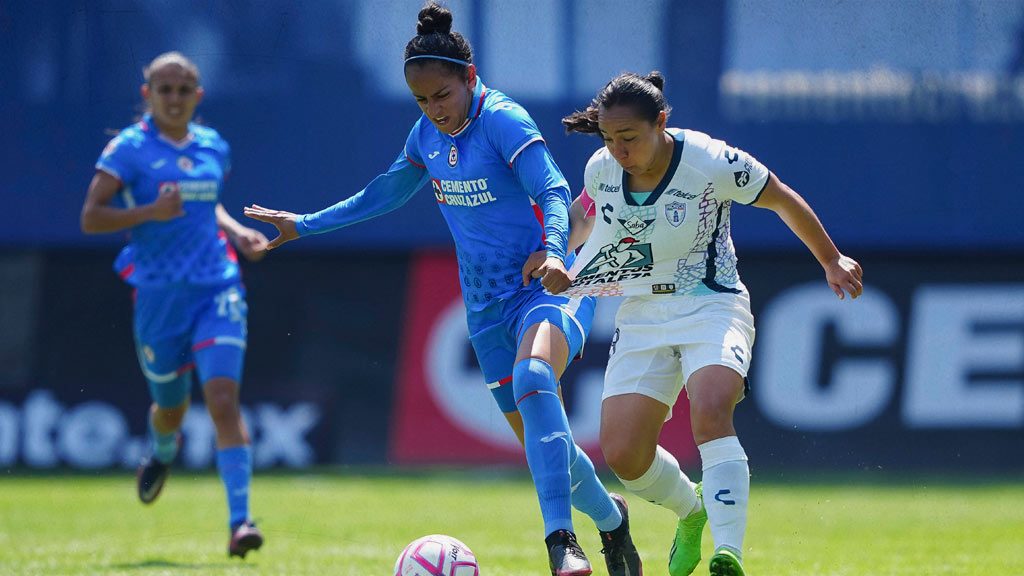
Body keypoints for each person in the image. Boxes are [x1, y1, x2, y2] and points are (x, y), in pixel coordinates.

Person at [242, 4, 639, 575]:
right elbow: (382, 194)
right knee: (544, 446)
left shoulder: (503, 120)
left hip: (548, 285)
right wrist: (303, 223)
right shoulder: (426, 133)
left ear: (470, 79)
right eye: (422, 101)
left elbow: (554, 190)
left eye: (443, 96)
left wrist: (554, 250)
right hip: (483, 309)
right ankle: (613, 520)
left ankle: (560, 543)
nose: (434, 110)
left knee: (533, 378)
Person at [530, 71, 864, 576]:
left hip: (711, 304)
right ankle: (693, 510)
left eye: (629, 138)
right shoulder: (602, 168)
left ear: (662, 122)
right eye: (608, 139)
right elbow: (584, 215)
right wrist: (554, 252)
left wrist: (831, 259)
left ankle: (729, 552)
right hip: (641, 313)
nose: (618, 150)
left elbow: (781, 197)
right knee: (623, 455)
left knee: (710, 411)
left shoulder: (710, 160)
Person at [80, 51, 270, 559]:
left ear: (198, 96)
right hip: (160, 296)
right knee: (170, 408)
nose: (174, 98)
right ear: (147, 95)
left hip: (217, 284)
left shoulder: (213, 146)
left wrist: (237, 232)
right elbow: (91, 217)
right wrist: (148, 211)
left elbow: (209, 208)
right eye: (164, 89)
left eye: (184, 89)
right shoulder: (127, 150)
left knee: (223, 399)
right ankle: (162, 452)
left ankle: (240, 522)